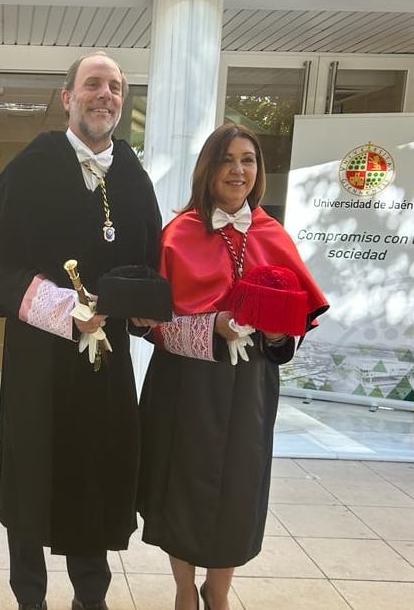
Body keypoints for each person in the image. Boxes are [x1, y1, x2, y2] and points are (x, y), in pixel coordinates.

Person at [0, 51, 163, 610]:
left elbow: (152, 266)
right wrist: (64, 309)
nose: (105, 95)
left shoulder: (132, 175)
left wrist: (142, 307)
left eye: (116, 87)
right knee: (32, 475)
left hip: (105, 366)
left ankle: (90, 597)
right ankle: (29, 596)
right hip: (38, 358)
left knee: (94, 473)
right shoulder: (34, 163)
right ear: (67, 97)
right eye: (93, 84)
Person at [136, 123, 329, 610]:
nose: (238, 170)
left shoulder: (271, 232)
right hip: (186, 382)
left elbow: (295, 325)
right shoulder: (177, 233)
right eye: (227, 159)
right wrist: (212, 327)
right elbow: (151, 324)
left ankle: (218, 590)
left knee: (238, 490)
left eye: (248, 160)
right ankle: (184, 587)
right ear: (208, 169)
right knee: (181, 485)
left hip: (250, 387)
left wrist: (280, 329)